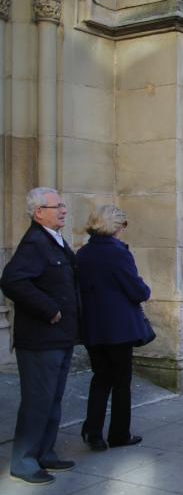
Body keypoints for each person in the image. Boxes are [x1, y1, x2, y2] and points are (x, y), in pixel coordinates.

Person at [1, 187, 79, 485]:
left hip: (59, 337)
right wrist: (50, 309)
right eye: (57, 206)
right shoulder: (35, 242)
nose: (63, 210)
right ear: (39, 212)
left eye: (63, 205)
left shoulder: (53, 240)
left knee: (52, 398)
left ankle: (45, 452)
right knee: (38, 400)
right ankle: (23, 460)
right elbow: (12, 281)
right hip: (40, 339)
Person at [77, 205, 151, 451]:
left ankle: (94, 432)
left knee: (100, 378)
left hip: (93, 327)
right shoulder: (117, 253)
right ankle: (119, 433)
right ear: (116, 225)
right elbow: (136, 289)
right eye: (124, 224)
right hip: (118, 329)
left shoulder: (83, 253)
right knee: (121, 382)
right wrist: (144, 290)